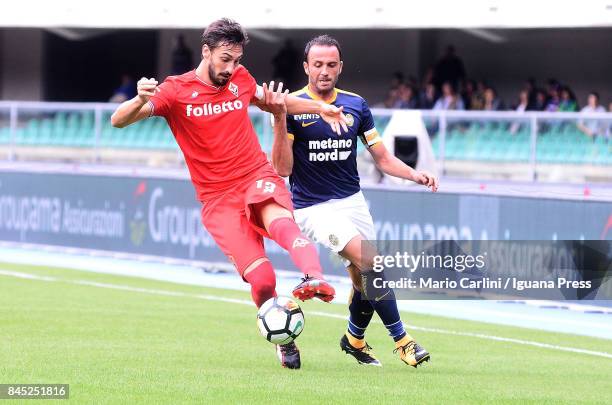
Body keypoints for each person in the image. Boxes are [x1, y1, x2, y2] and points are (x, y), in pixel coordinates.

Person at [110, 19, 350, 370]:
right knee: (263, 279)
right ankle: (284, 340)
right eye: (225, 58)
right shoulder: (175, 91)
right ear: (205, 51)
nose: (231, 67)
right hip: (217, 199)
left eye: (237, 59)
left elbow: (274, 102)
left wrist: (319, 107)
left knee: (280, 221)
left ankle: (315, 277)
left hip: (255, 174)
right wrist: (138, 99)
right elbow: (118, 120)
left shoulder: (240, 79)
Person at [271, 35, 438, 368]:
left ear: (340, 67)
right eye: (317, 65)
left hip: (353, 201)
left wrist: (414, 174)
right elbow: (282, 168)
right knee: (373, 262)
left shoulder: (356, 105)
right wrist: (278, 118)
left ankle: (353, 339)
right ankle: (403, 341)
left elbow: (383, 157)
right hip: (314, 208)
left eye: (331, 65)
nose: (324, 71)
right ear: (306, 67)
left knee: (364, 280)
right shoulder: (291, 105)